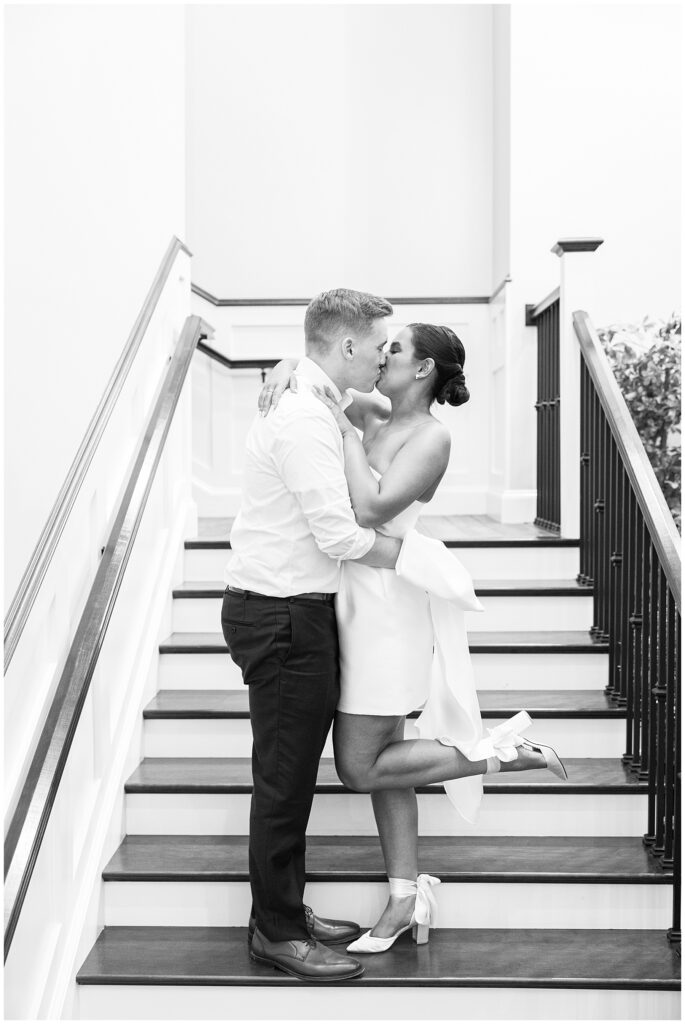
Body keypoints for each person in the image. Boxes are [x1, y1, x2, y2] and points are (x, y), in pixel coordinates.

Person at [260, 319, 568, 955]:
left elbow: (371, 509)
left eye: (393, 349)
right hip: (347, 596)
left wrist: (344, 431)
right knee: (388, 761)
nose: (381, 356)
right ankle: (405, 895)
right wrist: (290, 368)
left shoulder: (431, 436)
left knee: (358, 765)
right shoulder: (374, 407)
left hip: (388, 609)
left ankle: (499, 753)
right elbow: (319, 381)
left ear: (423, 369)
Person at [221, 288, 406, 982]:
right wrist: (416, 560)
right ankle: (274, 932)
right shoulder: (302, 416)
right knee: (283, 779)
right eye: (381, 344)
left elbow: (380, 404)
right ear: (350, 345)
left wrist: (290, 365)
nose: (387, 354)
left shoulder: (315, 397)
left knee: (291, 776)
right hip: (282, 614)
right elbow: (335, 534)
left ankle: (286, 912)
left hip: (294, 609)